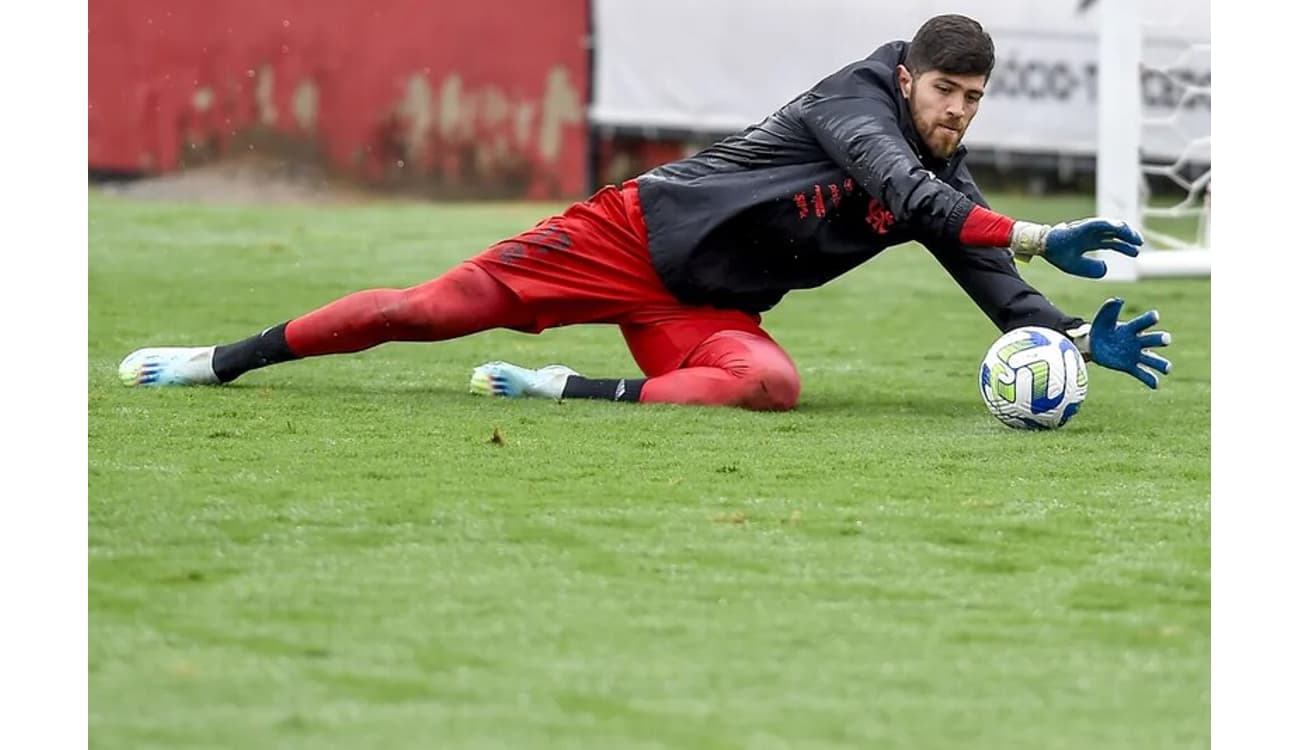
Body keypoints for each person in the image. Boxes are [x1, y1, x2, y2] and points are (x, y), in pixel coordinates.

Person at [118, 13, 1172, 410]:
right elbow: (900, 191)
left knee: (766, 386)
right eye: (949, 94)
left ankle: (566, 388)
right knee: (423, 313)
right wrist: (1041, 231)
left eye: (974, 103)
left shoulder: (946, 168)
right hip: (625, 235)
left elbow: (984, 270)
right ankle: (225, 360)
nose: (959, 114)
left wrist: (1068, 333)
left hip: (702, 301)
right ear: (908, 79)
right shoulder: (850, 104)